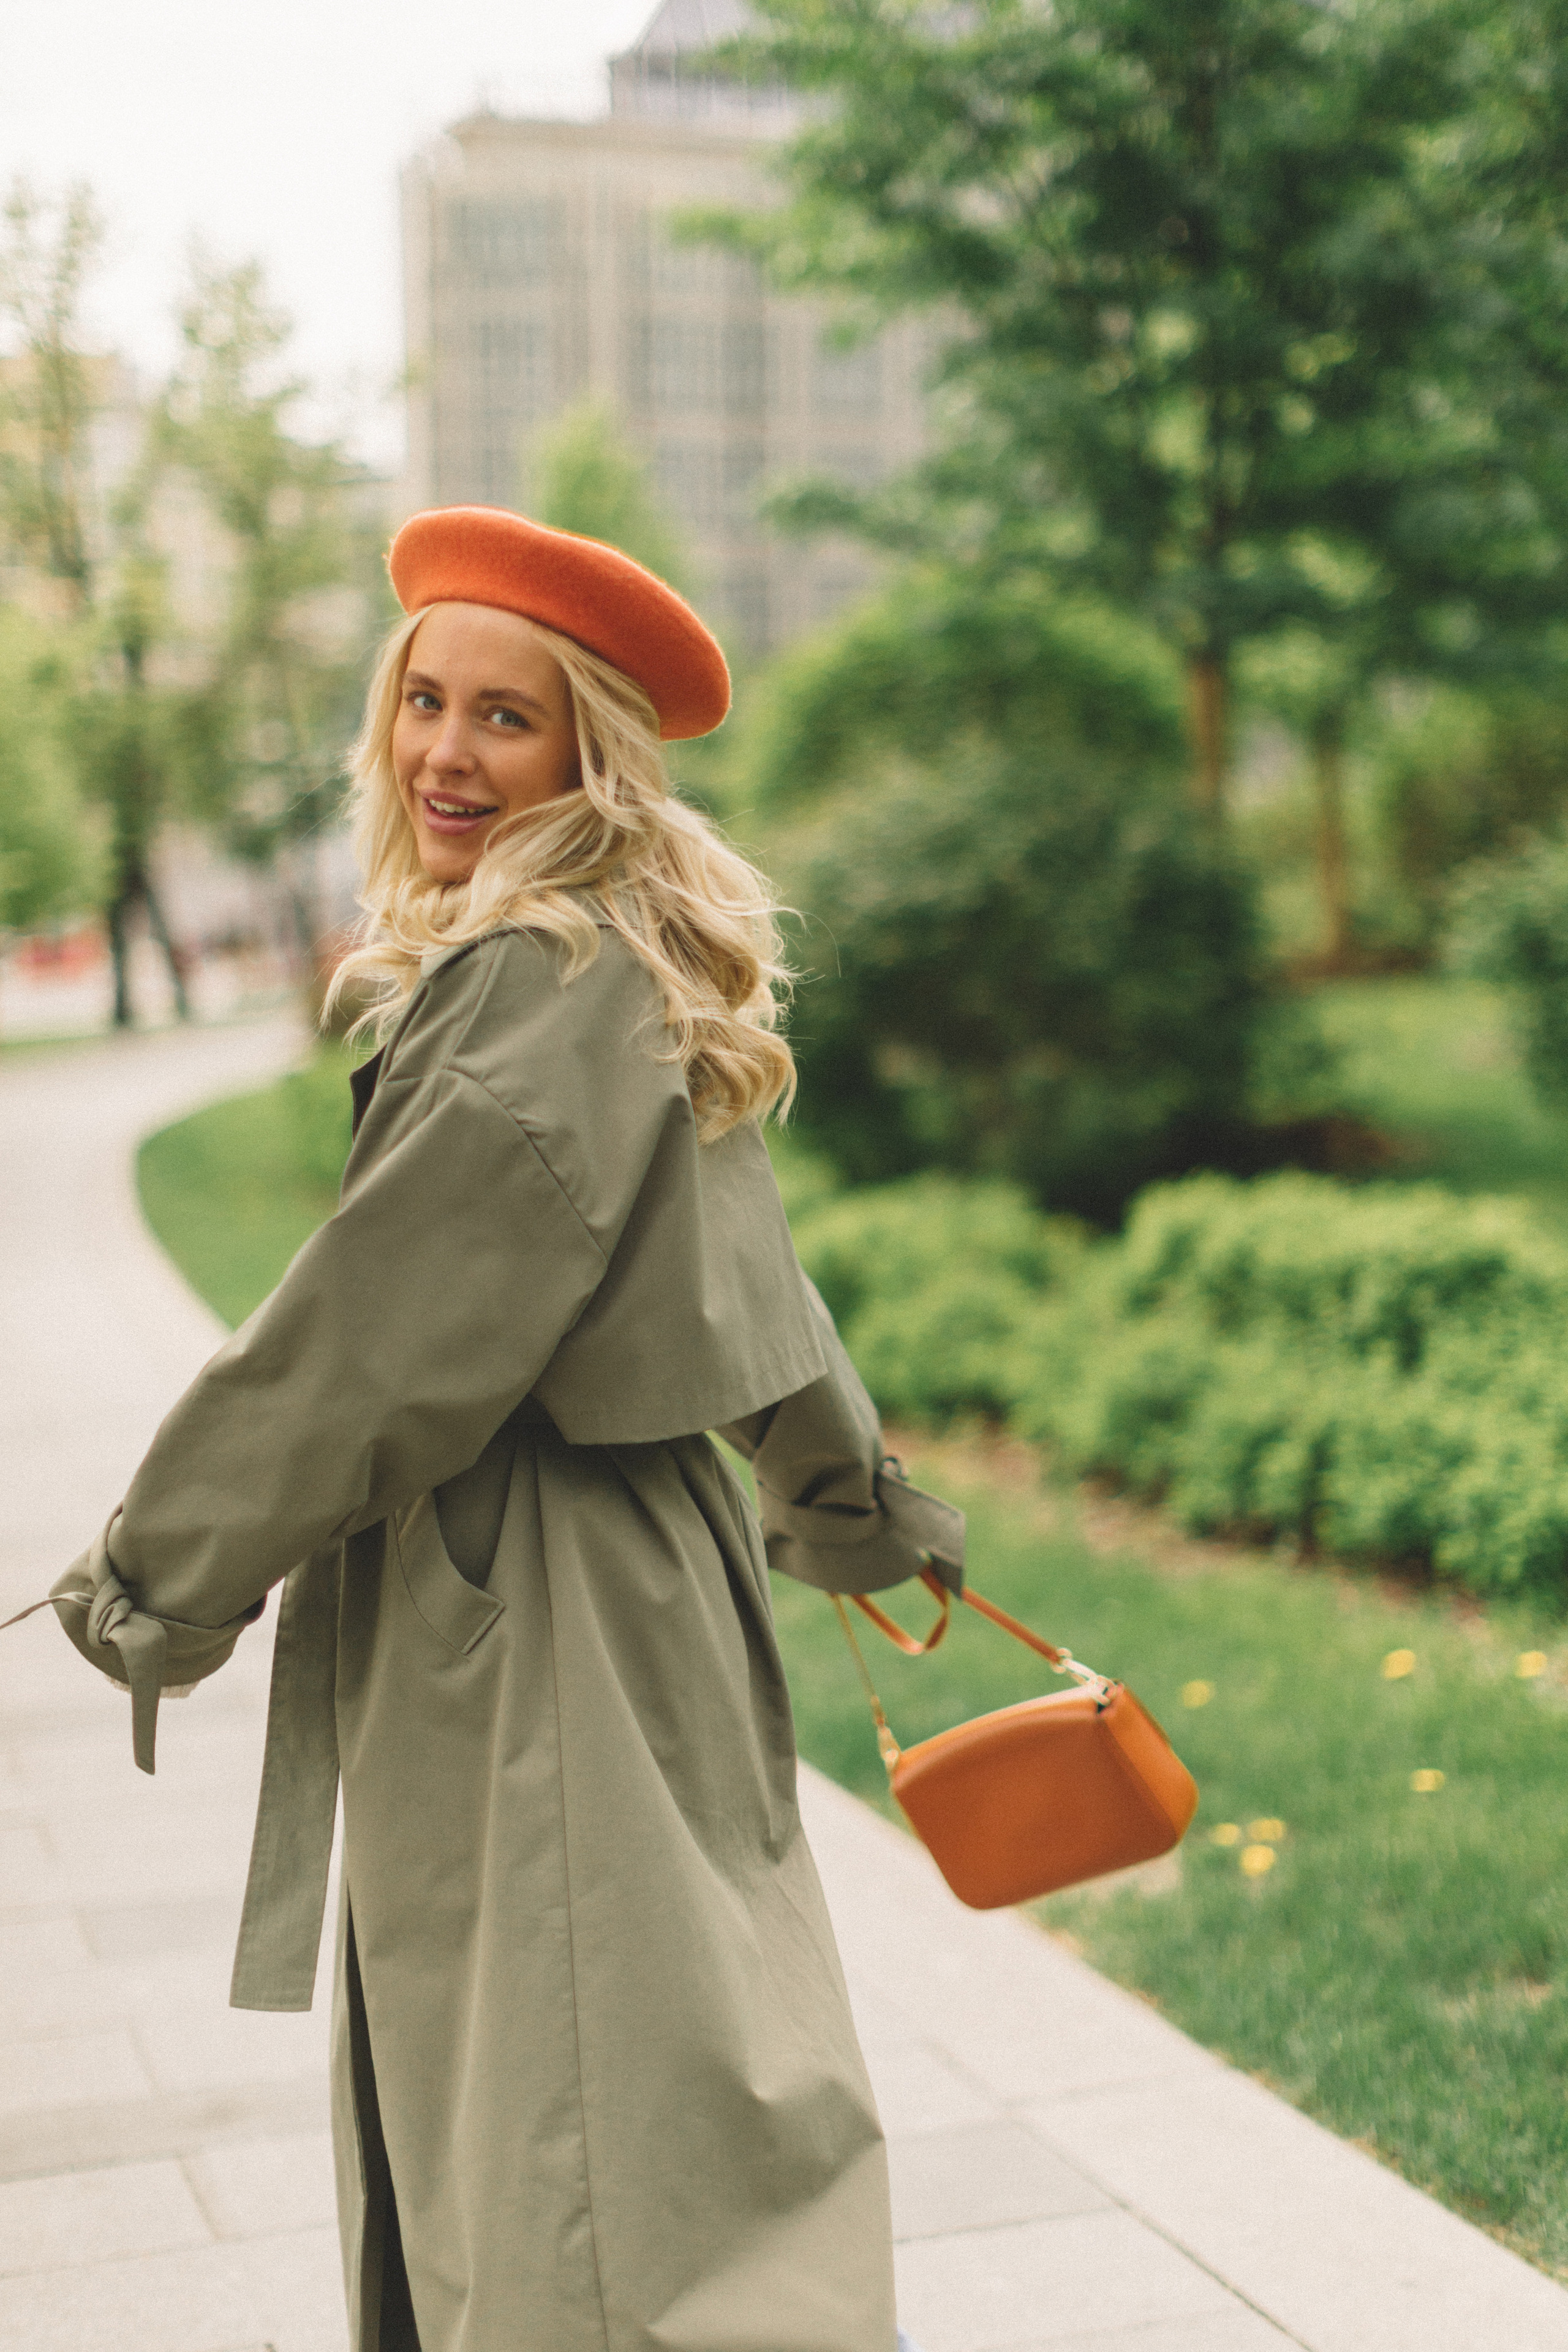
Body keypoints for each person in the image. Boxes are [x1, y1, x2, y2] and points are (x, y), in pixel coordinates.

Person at [45, 506, 957, 2352]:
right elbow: (762, 1293)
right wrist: (847, 1505)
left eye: (508, 719)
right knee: (657, 2067)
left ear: (589, 749)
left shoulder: (538, 981)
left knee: (570, 2128)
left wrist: (153, 1575)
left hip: (526, 1601)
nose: (446, 754)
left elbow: (375, 1338)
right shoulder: (633, 949)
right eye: (424, 703)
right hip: (650, 1586)